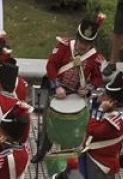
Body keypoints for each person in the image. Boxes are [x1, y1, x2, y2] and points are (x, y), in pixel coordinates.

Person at [34, 15, 106, 162]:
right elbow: (51, 65)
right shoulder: (64, 46)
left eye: (87, 43)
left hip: (77, 95)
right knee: (49, 123)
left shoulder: (95, 57)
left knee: (72, 128)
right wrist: (56, 85)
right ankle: (42, 150)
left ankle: (67, 155)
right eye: (81, 41)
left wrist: (88, 88)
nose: (83, 46)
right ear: (77, 37)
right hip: (57, 90)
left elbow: (98, 78)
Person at [79, 71, 123, 177]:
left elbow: (91, 129)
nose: (100, 95)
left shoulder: (115, 121)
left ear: (111, 102)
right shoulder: (118, 111)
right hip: (103, 158)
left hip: (100, 163)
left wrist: (100, 110)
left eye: (104, 94)